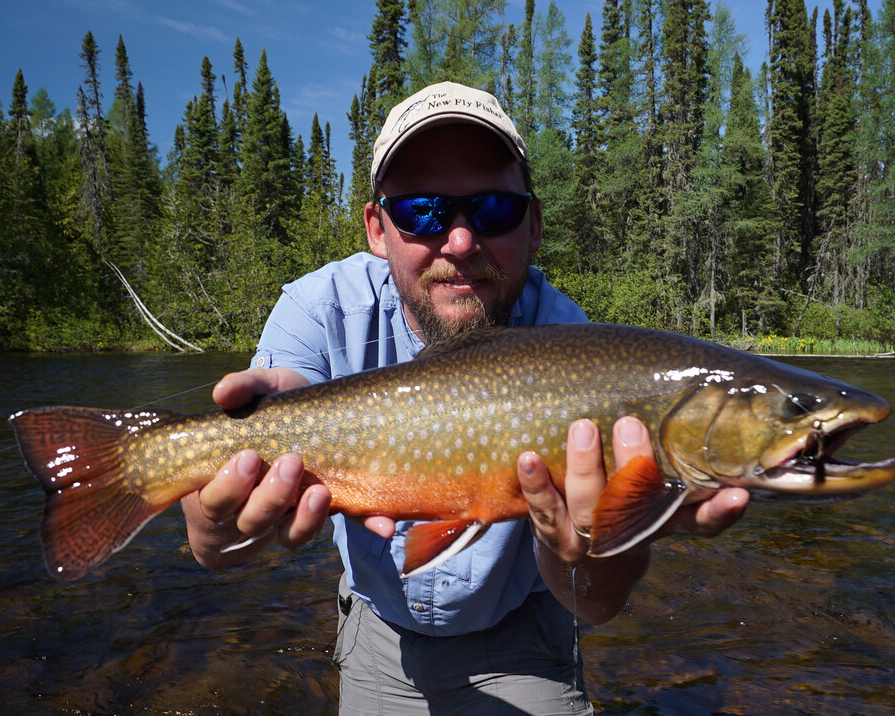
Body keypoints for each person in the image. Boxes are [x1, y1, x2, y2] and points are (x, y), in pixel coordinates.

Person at [181, 81, 749, 714]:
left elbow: (595, 601)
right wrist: (217, 519)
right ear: (377, 227)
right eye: (422, 211)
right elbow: (212, 549)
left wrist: (598, 547)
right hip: (378, 634)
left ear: (533, 227)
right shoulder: (316, 311)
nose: (458, 242)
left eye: (493, 211)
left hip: (526, 636)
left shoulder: (580, 354)